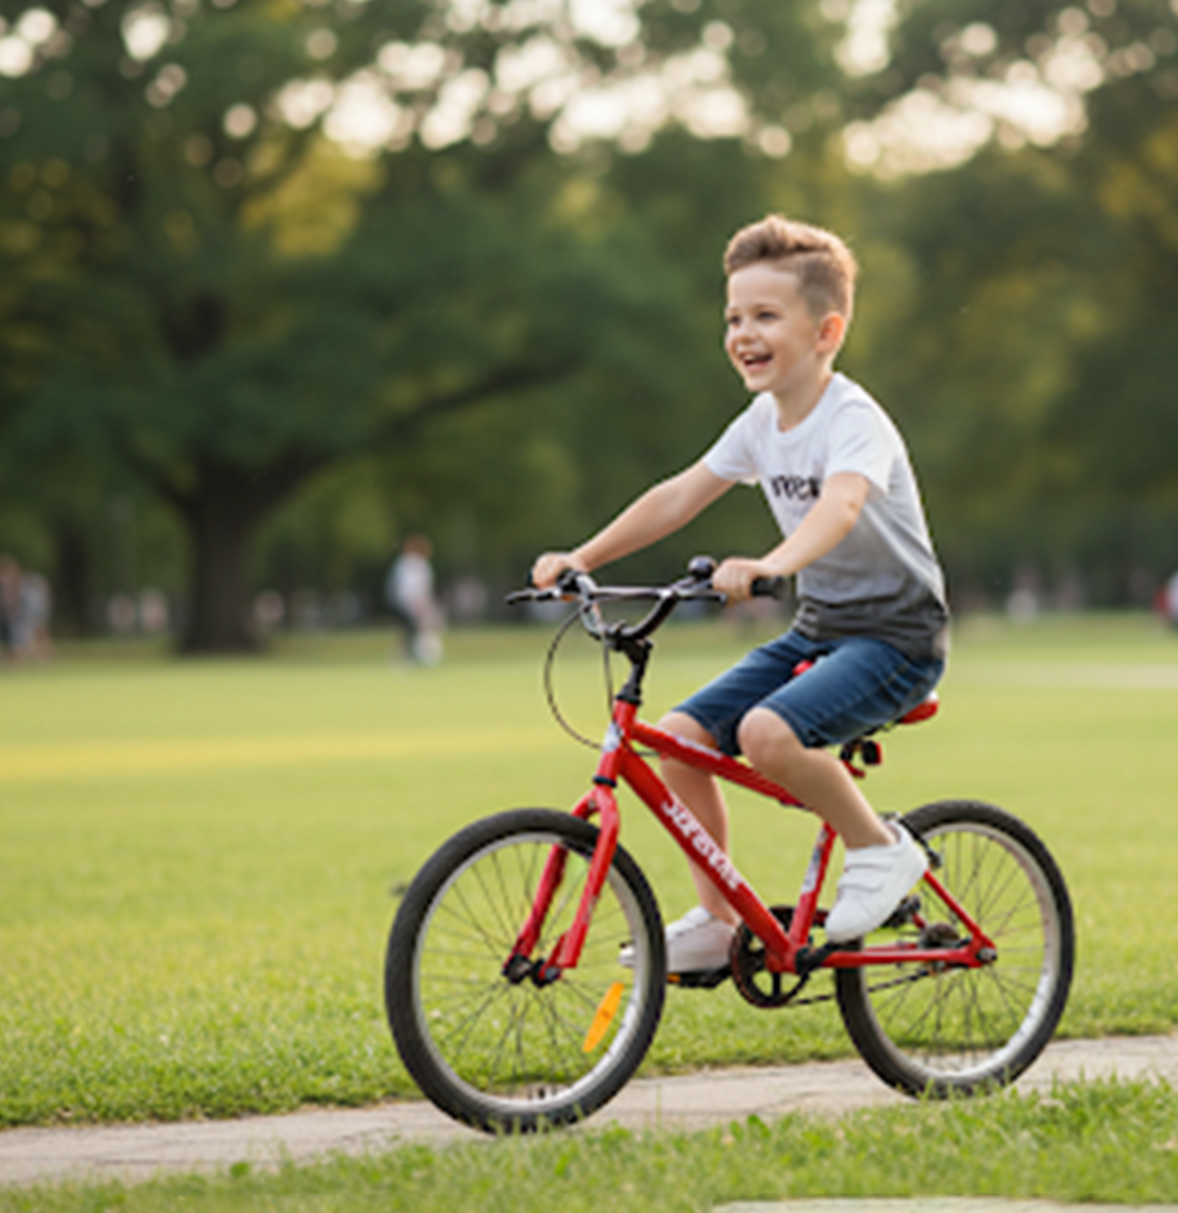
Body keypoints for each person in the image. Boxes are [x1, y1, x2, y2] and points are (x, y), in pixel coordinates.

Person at [532, 214, 949, 973]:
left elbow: (841, 506)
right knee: (681, 740)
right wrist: (580, 557)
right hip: (821, 630)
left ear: (826, 332)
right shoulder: (762, 421)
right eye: (733, 318)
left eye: (765, 316)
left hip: (897, 639)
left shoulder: (853, 419)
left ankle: (881, 848)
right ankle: (719, 922)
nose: (743, 334)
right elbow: (678, 495)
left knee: (765, 733)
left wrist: (770, 563)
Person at [387, 533, 445, 665]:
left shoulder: (403, 563)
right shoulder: (417, 565)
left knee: (408, 631)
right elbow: (415, 588)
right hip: (410, 603)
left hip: (403, 602)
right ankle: (409, 656)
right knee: (411, 631)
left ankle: (408, 656)